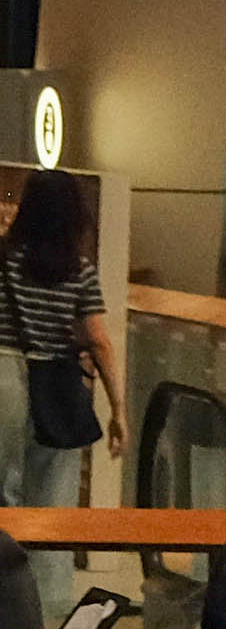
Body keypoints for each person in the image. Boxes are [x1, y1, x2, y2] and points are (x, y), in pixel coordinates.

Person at [5, 173, 124, 543]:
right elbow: (99, 342)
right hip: (56, 386)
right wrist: (118, 410)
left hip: (3, 375)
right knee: (53, 508)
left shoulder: (3, 259)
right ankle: (48, 579)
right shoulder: (79, 271)